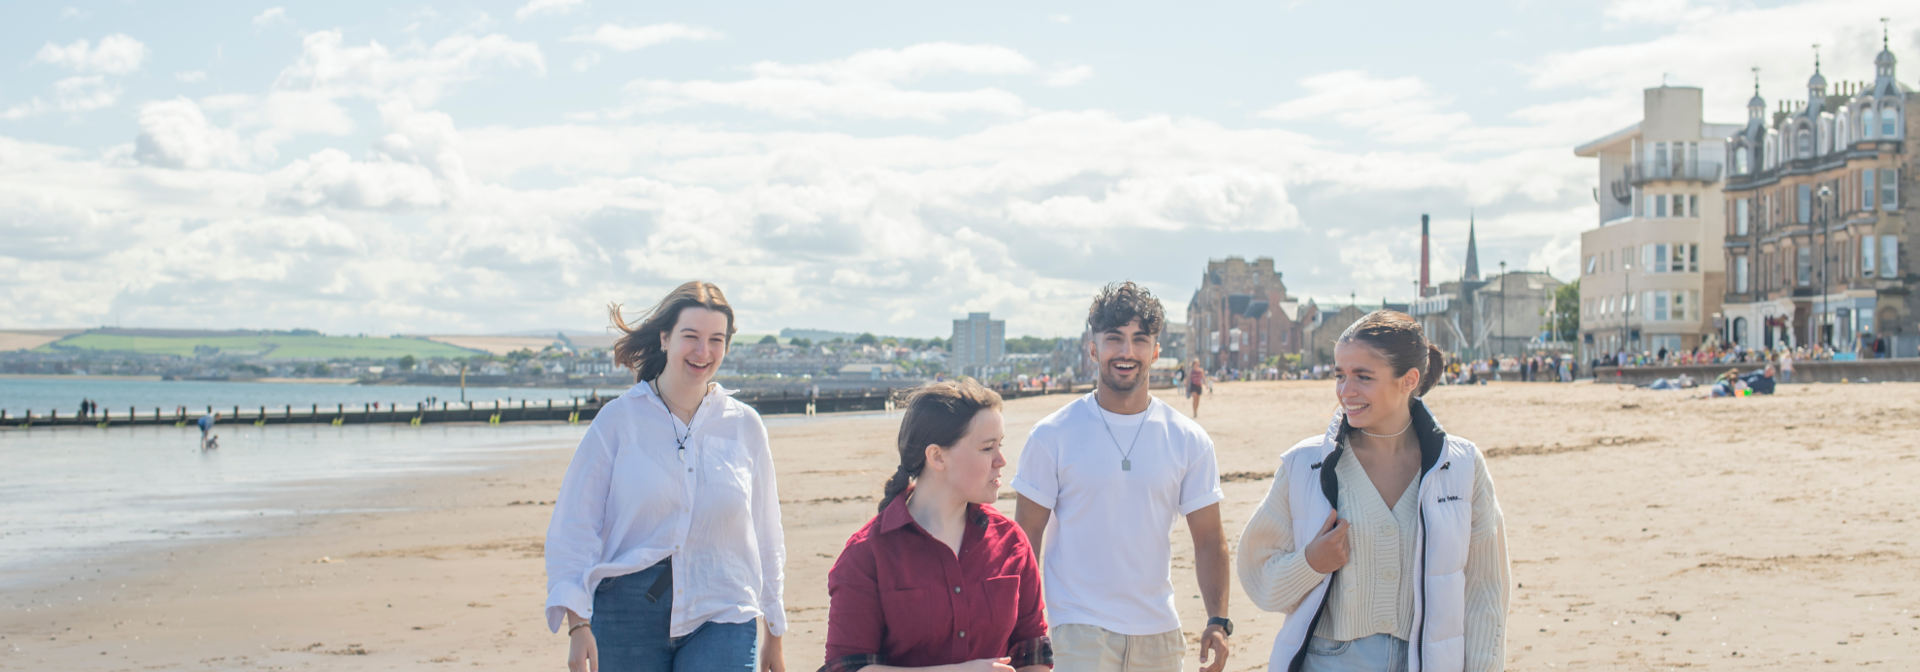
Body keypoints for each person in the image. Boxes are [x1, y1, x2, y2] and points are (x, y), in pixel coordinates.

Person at [1238, 310, 1508, 672]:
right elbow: (1259, 579)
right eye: (1339, 375)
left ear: (1409, 379)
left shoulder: (1461, 466)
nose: (1345, 391)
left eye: (1363, 377)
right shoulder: (1304, 465)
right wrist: (1310, 563)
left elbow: (1485, 593)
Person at [545, 281, 787, 672]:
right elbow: (575, 524)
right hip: (627, 612)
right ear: (665, 338)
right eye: (690, 336)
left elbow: (767, 533)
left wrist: (774, 632)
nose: (702, 352)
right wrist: (578, 623)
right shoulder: (619, 421)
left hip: (723, 608)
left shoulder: (744, 426)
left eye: (716, 340)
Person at [1012, 282, 1232, 672]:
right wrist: (1021, 626)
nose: (1127, 352)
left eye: (1139, 340)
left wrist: (1217, 619)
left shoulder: (1188, 438)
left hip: (1160, 632)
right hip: (1076, 629)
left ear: (1157, 351)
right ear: (1093, 348)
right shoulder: (1052, 435)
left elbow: (1210, 538)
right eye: (1114, 339)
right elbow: (1025, 538)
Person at [823, 380, 1050, 672]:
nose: (1001, 460)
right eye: (987, 448)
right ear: (937, 456)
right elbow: (845, 667)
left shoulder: (1011, 541)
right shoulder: (867, 554)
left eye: (1000, 446)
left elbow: (1033, 653)